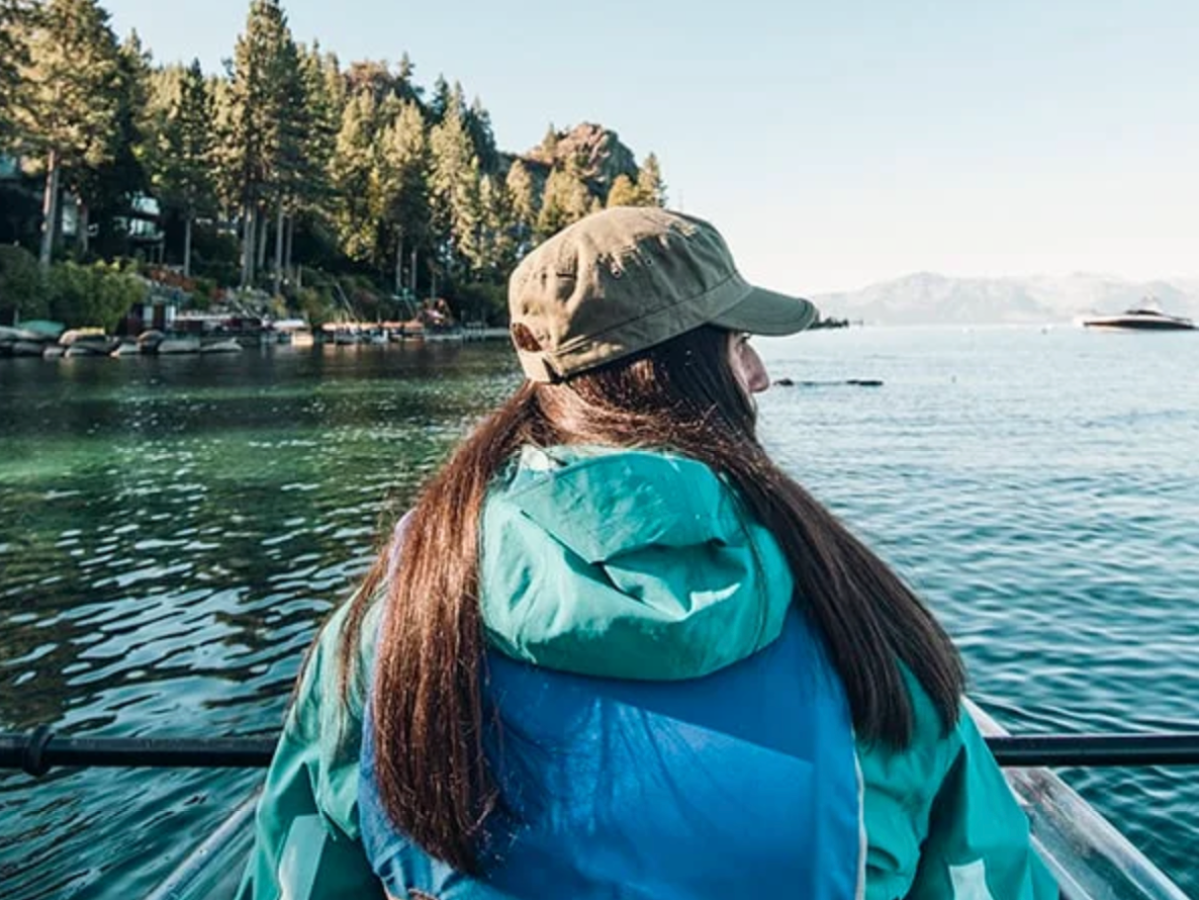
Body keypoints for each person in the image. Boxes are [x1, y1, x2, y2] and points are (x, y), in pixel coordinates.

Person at [237, 207, 1057, 900]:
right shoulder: (866, 637)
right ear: (682, 371)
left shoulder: (387, 626)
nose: (761, 376)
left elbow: (299, 869)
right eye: (739, 345)